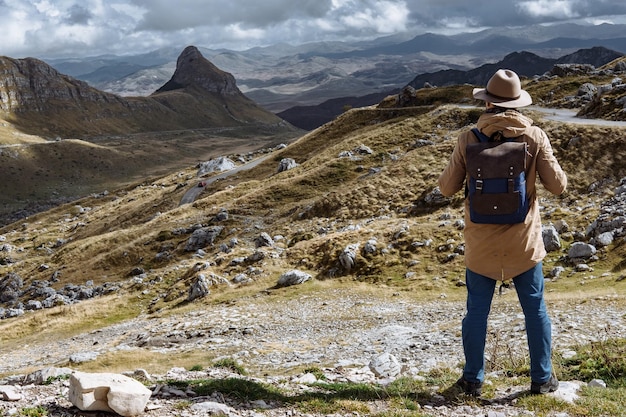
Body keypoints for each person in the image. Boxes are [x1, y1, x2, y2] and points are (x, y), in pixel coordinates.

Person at [438, 69, 568, 396]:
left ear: (488, 103)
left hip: (480, 246)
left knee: (476, 314)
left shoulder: (468, 138)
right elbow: (558, 186)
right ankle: (542, 380)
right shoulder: (534, 136)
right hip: (523, 244)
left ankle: (472, 380)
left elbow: (446, 188)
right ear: (517, 104)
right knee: (535, 310)